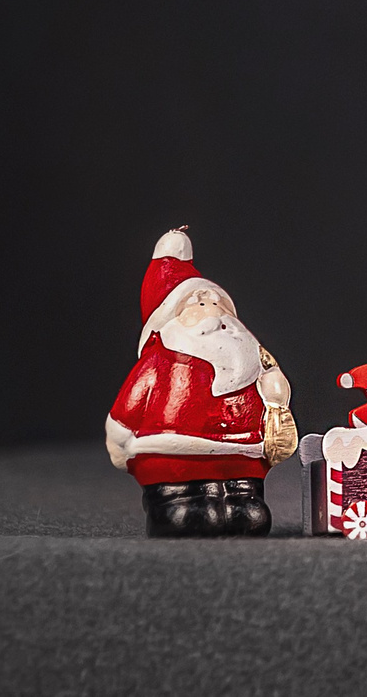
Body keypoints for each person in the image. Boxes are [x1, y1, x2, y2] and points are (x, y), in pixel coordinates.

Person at [104, 228, 291, 537]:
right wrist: (120, 436)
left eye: (220, 306)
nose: (215, 314)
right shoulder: (161, 361)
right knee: (187, 512)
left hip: (244, 458)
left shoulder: (254, 358)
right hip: (173, 458)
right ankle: (178, 501)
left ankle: (243, 501)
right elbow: (130, 404)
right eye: (201, 305)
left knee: (249, 513)